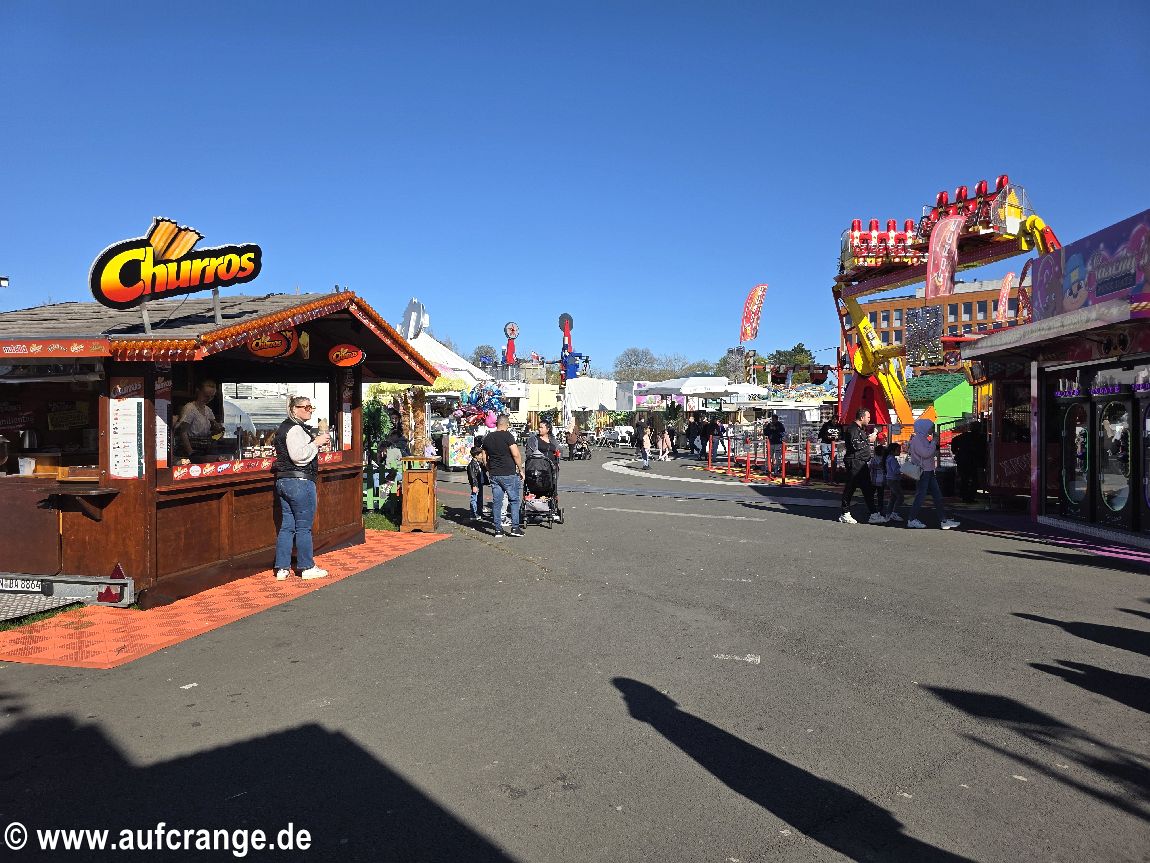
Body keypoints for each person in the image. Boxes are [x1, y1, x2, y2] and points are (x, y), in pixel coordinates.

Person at [272, 395, 332, 580]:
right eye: (305, 407)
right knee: (303, 527)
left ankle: (282, 568)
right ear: (294, 409)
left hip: (284, 481)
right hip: (300, 481)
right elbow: (298, 456)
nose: (310, 410)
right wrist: (316, 443)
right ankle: (307, 566)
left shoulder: (285, 427)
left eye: (311, 407)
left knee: (287, 527)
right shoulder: (295, 429)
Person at [906, 418, 961, 530]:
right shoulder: (918, 439)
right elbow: (926, 453)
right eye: (931, 427)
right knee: (922, 496)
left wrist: (933, 443)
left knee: (936, 496)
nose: (932, 429)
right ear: (924, 427)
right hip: (924, 471)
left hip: (929, 471)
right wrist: (934, 442)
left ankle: (943, 520)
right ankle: (911, 519)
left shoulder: (922, 439)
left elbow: (928, 452)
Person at [482, 415, 524, 537]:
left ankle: (498, 530)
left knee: (497, 502)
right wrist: (520, 469)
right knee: (514, 500)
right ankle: (515, 528)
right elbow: (516, 454)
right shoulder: (508, 436)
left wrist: (489, 469)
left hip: (494, 474)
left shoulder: (488, 437)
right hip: (508, 473)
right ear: (507, 424)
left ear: (497, 424)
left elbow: (484, 457)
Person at [839, 408, 879, 524]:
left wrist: (867, 438)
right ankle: (845, 513)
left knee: (867, 488)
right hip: (855, 462)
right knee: (851, 487)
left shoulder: (859, 429)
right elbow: (855, 445)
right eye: (868, 417)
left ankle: (873, 514)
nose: (869, 419)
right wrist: (869, 439)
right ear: (862, 417)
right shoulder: (852, 429)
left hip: (861, 462)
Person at [175, 379, 225, 462]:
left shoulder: (208, 410)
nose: (209, 399)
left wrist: (218, 430)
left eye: (211, 397)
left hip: (206, 448)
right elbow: (183, 432)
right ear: (198, 391)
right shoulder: (190, 409)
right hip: (193, 449)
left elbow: (215, 427)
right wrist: (191, 452)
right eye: (206, 396)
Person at [526, 419, 564, 522]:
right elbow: (529, 453)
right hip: (537, 468)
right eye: (539, 427)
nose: (539, 429)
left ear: (548, 429)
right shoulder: (533, 440)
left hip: (551, 468)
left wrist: (558, 456)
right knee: (536, 486)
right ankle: (535, 507)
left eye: (541, 427)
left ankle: (551, 507)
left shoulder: (553, 440)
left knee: (551, 487)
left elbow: (559, 450)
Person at [882, 442, 905, 522]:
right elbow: (896, 470)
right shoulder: (892, 459)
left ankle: (889, 513)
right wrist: (904, 468)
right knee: (900, 497)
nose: (900, 451)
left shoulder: (889, 458)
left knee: (893, 498)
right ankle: (894, 513)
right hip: (893, 480)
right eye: (898, 450)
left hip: (891, 480)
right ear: (892, 451)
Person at [466, 445, 487, 524]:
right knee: (474, 498)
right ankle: (473, 514)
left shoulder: (479, 463)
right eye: (480, 454)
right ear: (476, 455)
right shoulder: (471, 464)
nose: (482, 455)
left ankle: (479, 512)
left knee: (480, 498)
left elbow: (483, 470)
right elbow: (472, 476)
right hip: (476, 484)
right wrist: (474, 485)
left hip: (480, 482)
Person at [817, 416, 841, 482]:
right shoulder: (826, 425)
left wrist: (838, 439)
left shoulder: (839, 426)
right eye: (834, 420)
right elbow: (820, 434)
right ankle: (826, 478)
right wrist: (828, 437)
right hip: (825, 444)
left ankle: (833, 477)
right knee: (825, 462)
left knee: (834, 462)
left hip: (834, 444)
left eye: (837, 420)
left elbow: (841, 435)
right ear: (832, 419)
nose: (835, 421)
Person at [869, 443, 887, 520]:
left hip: (873, 479)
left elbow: (870, 468)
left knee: (871, 495)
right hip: (881, 480)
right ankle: (880, 509)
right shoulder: (884, 459)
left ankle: (872, 508)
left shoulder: (873, 459)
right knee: (880, 496)